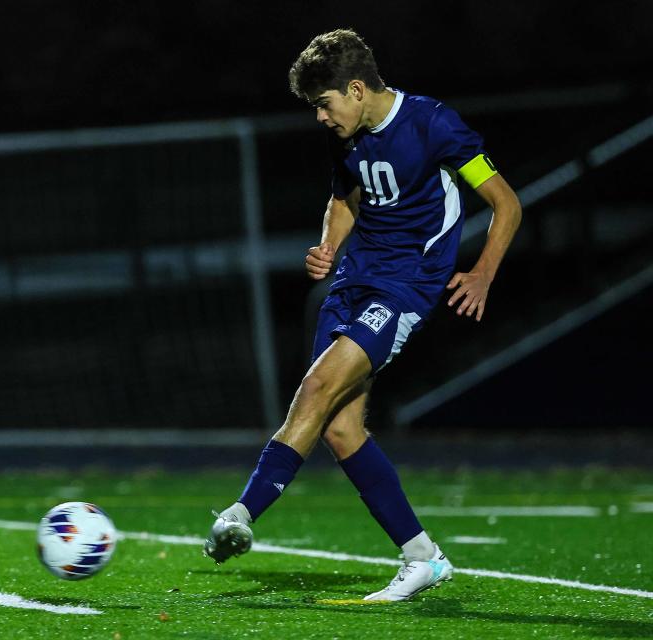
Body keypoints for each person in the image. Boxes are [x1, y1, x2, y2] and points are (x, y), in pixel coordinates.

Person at [204, 29, 522, 601]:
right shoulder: (346, 135)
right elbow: (345, 200)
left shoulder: (433, 124)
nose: (321, 118)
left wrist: (483, 274)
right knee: (341, 428)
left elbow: (506, 202)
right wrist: (328, 245)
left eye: (324, 104)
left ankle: (240, 513)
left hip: (405, 286)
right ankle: (421, 558)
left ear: (355, 89)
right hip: (353, 282)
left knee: (319, 385)